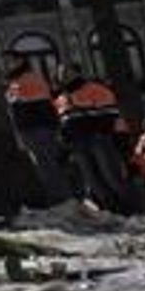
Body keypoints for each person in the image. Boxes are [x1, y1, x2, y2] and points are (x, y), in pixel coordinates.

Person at [55, 67, 128, 212]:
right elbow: (63, 123)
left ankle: (129, 206)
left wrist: (95, 130)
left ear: (78, 73)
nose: (64, 76)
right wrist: (65, 143)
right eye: (61, 74)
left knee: (110, 175)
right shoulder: (61, 98)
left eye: (68, 73)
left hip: (98, 138)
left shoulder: (96, 89)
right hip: (77, 143)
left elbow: (111, 114)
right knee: (92, 179)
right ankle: (111, 208)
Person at [3, 54, 70, 205]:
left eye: (10, 61)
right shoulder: (18, 79)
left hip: (37, 127)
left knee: (47, 164)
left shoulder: (26, 79)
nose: (7, 64)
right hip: (33, 126)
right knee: (45, 164)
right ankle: (59, 197)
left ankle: (61, 198)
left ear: (20, 61)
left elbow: (19, 100)